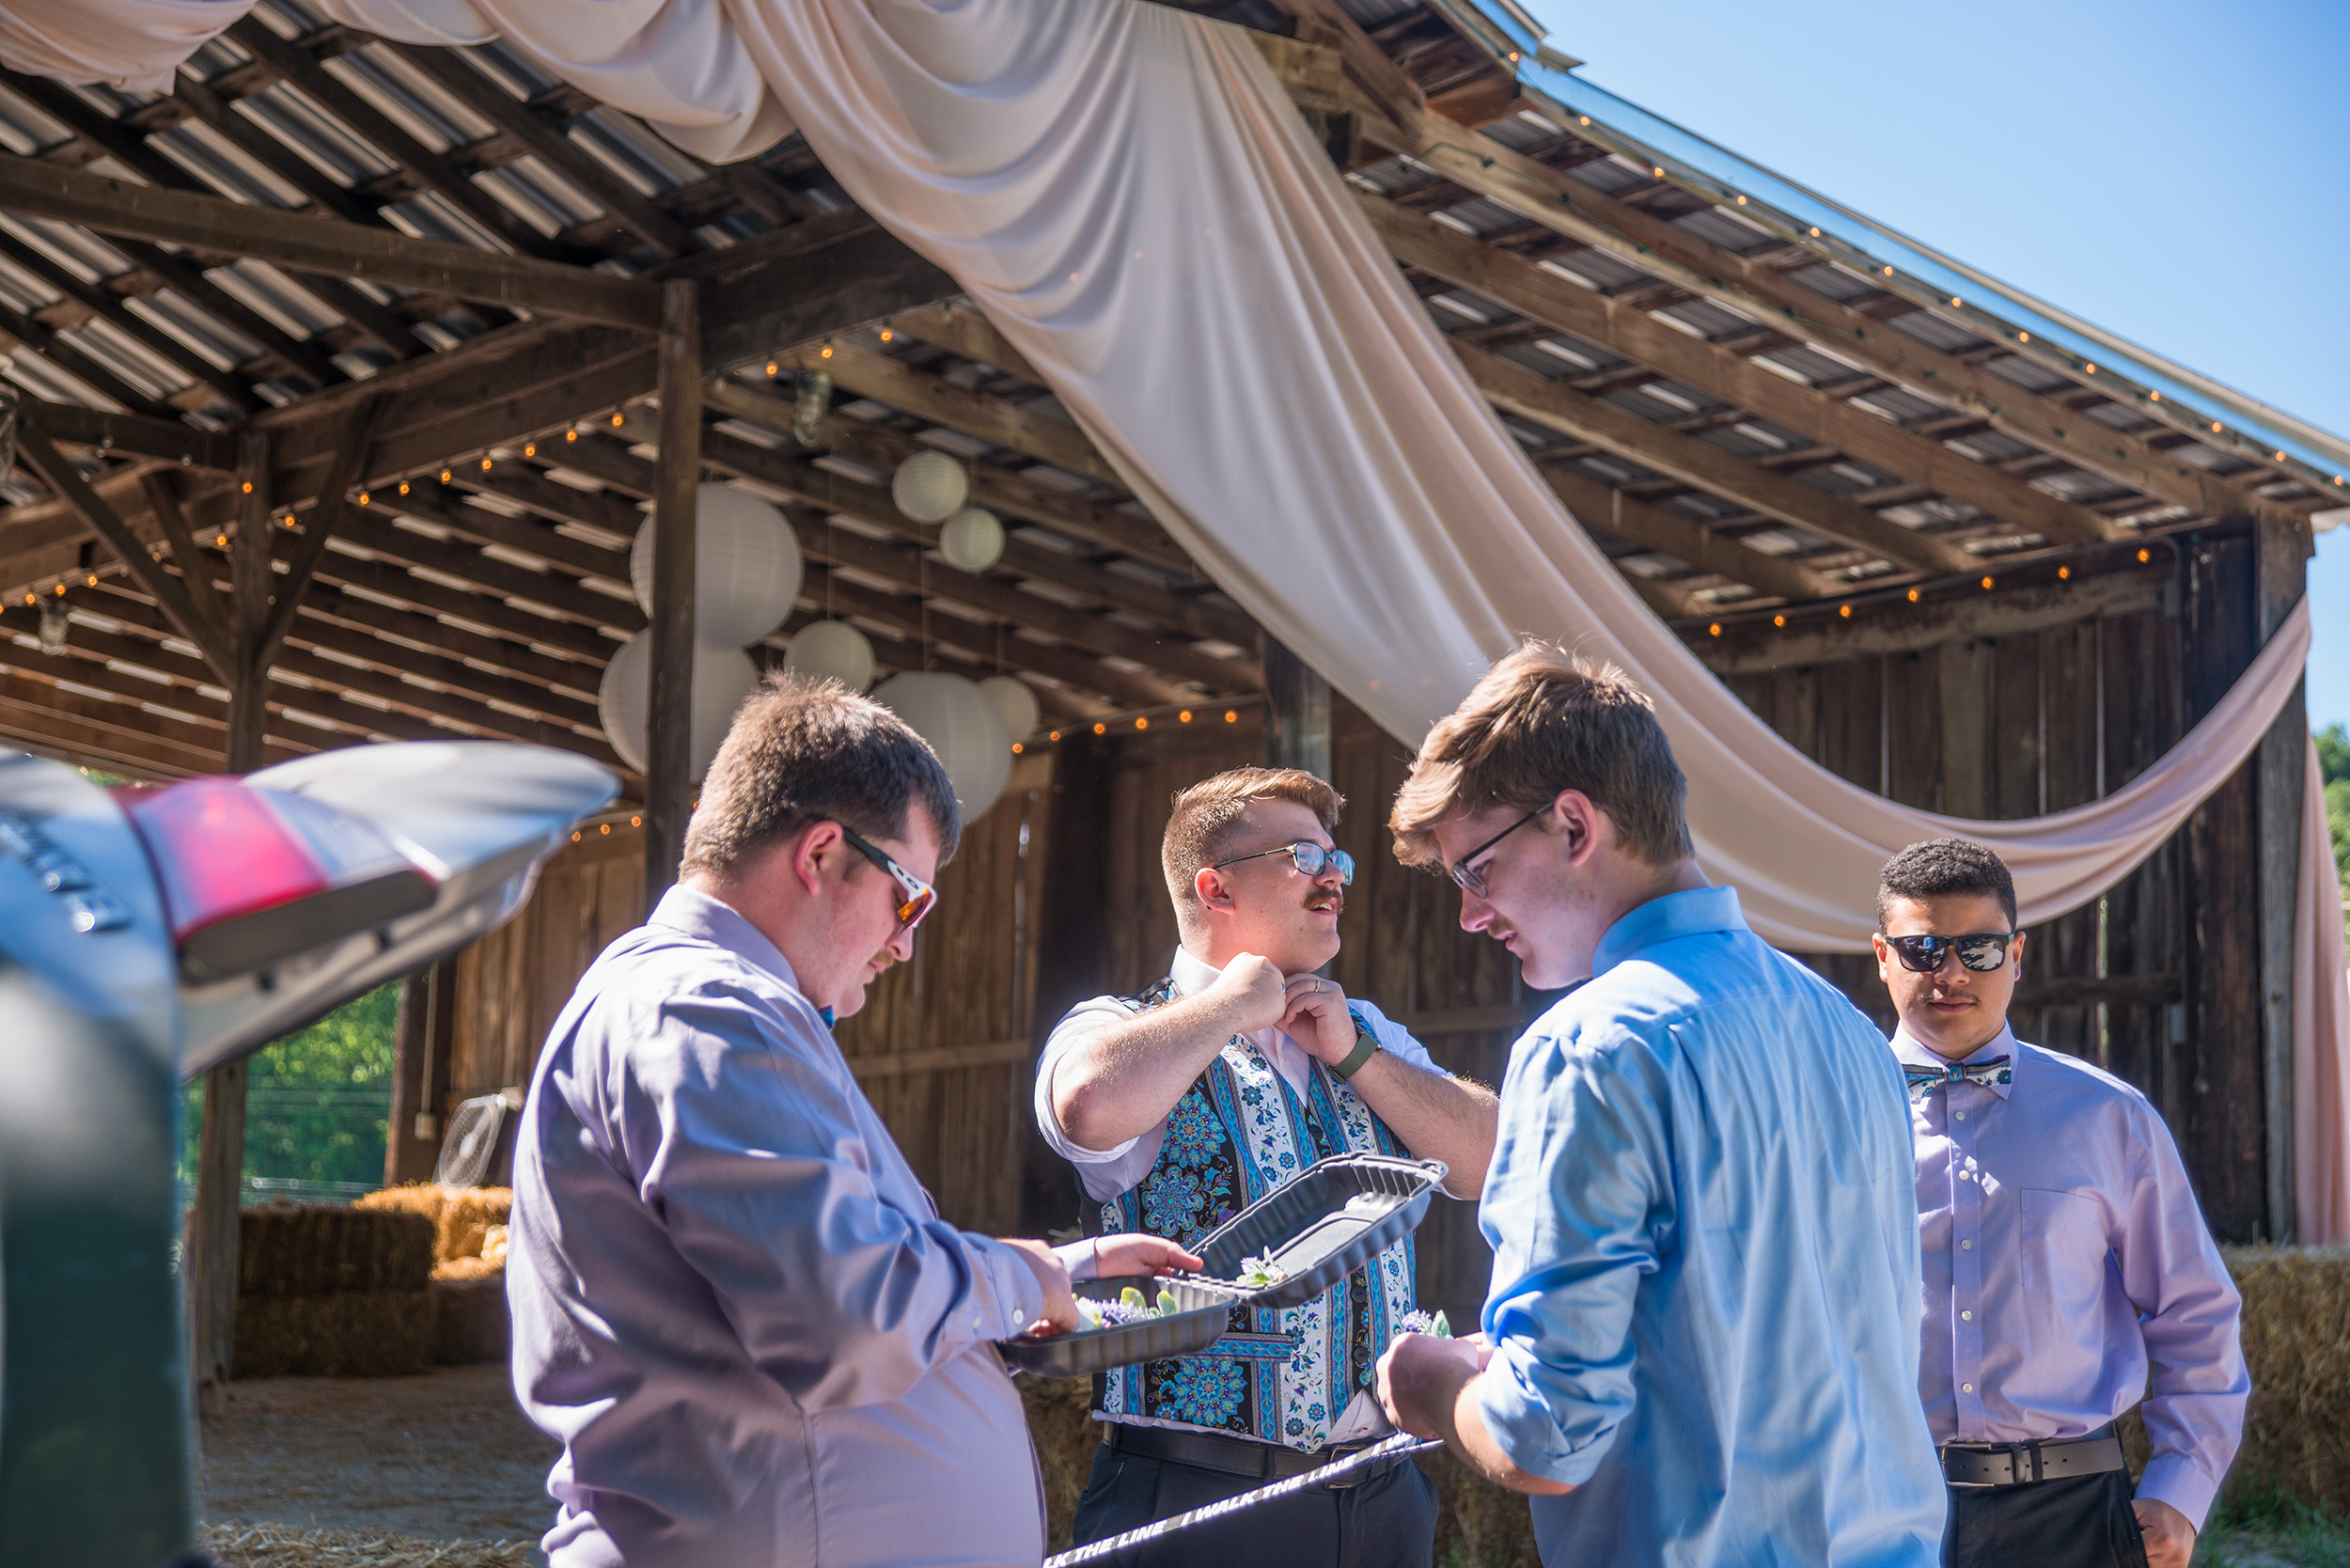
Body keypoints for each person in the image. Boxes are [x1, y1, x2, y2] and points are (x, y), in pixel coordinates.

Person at [506, 676, 1198, 1568]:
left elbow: (824, 1258)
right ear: (825, 854)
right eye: (910, 899)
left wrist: (1051, 1273)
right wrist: (1016, 1280)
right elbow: (844, 1318)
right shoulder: (703, 1006)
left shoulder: (723, 1005)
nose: (907, 942)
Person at [1374, 642, 1946, 1568]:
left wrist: (1428, 1381)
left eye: (1475, 872)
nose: (1470, 916)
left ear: (1571, 826)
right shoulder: (1844, 1029)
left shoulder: (1590, 1045)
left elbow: (1544, 1437)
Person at [1037, 766, 1498, 1568]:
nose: (1334, 878)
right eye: (1303, 856)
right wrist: (1226, 1006)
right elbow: (1085, 1107)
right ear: (1214, 889)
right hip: (1201, 1507)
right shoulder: (1115, 1026)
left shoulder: (1367, 1032)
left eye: (1336, 859)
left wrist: (1359, 1055)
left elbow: (1495, 1163)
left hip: (1384, 1499)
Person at [1872, 838, 2248, 1568]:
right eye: (1922, 948)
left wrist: (2183, 1486)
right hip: (1882, 1505)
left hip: (2073, 1515)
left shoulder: (2109, 1117)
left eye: (1976, 949)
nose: (1949, 972)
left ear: (2016, 954)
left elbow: (2194, 1311)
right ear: (1883, 956)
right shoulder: (1830, 1115)